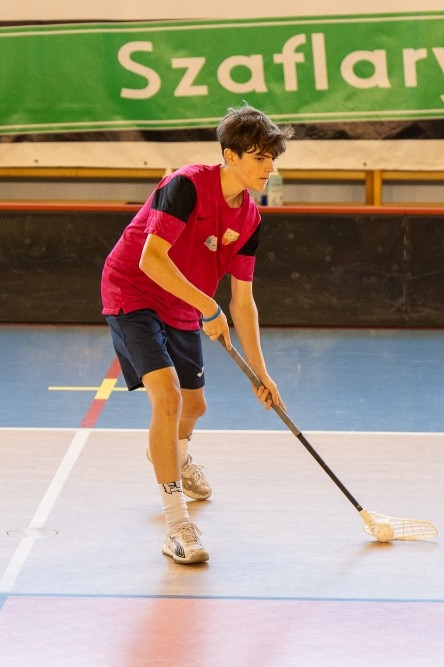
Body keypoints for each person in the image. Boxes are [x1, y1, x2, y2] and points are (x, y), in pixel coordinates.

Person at [101, 104, 294, 565]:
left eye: (272, 158)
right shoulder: (186, 186)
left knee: (195, 406)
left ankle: (175, 456)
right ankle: (177, 525)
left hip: (183, 301)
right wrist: (208, 306)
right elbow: (151, 259)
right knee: (167, 397)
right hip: (133, 291)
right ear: (230, 155)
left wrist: (261, 375)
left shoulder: (250, 219)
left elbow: (243, 301)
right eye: (259, 157)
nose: (268, 167)